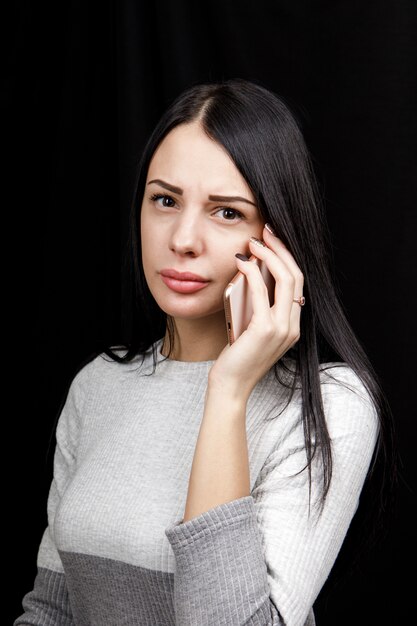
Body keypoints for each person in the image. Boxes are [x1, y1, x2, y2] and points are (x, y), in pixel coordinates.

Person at [15, 78, 395, 626]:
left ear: (279, 238)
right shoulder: (97, 385)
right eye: (164, 200)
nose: (184, 238)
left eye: (226, 212)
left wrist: (228, 390)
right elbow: (51, 609)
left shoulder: (329, 406)